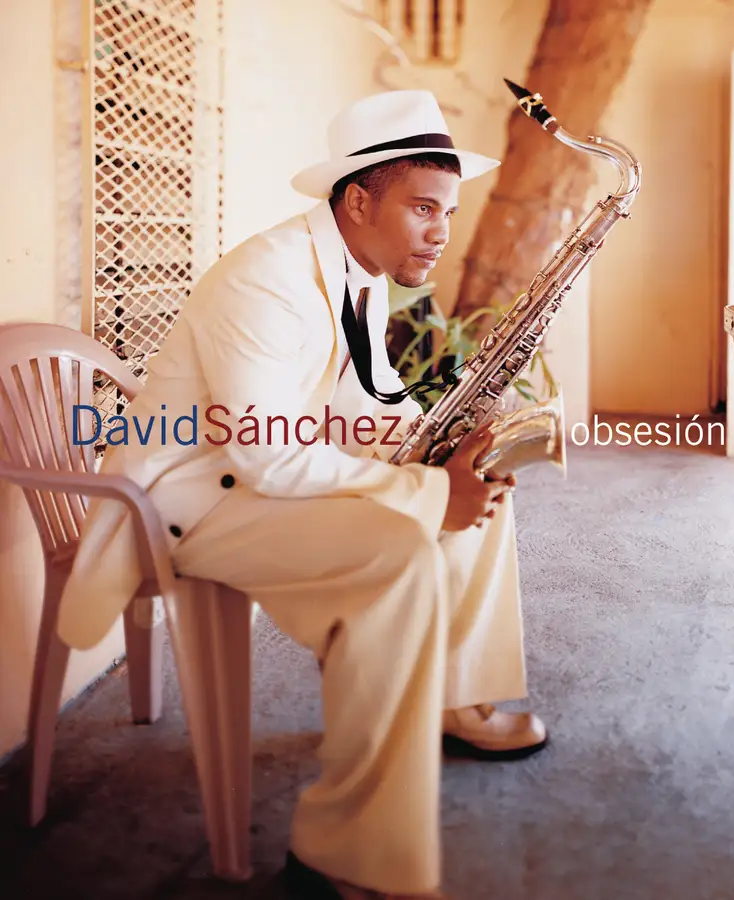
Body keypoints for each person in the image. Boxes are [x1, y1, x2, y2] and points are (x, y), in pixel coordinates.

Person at [57, 90, 548, 899]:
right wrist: (425, 493)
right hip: (185, 498)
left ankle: (451, 698)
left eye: (447, 212)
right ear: (359, 201)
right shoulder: (266, 279)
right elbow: (266, 457)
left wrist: (445, 445)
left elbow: (367, 400)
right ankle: (344, 849)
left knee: (478, 493)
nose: (441, 232)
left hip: (252, 473)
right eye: (423, 208)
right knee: (400, 549)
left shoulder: (361, 270)